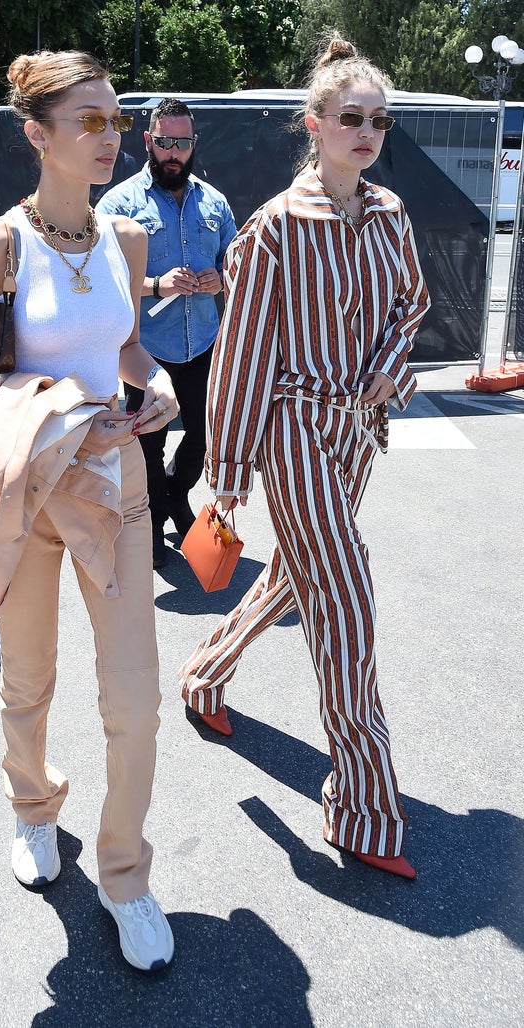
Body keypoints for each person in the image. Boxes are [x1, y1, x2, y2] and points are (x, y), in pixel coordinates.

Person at [0, 50, 178, 971]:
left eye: (118, 120)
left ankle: (125, 875)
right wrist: (67, 423)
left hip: (117, 493)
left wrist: (157, 394)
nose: (113, 138)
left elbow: (131, 352)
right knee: (28, 680)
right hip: (26, 496)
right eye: (92, 121)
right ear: (37, 134)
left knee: (138, 704)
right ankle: (34, 806)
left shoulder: (128, 240)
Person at [179, 33, 430, 879]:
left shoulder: (391, 214)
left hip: (358, 429)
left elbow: (412, 307)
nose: (366, 131)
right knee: (346, 596)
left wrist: (390, 376)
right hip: (290, 425)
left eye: (379, 120)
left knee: (298, 576)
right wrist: (230, 472)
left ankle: (206, 675)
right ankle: (363, 807)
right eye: (350, 117)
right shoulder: (275, 228)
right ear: (314, 124)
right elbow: (243, 353)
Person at [96, 98, 236, 567]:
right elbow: (102, 277)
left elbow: (235, 262)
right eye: (163, 142)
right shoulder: (119, 204)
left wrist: (222, 277)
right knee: (148, 442)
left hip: (203, 344)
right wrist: (155, 284)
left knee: (205, 436)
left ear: (193, 144)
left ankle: (176, 495)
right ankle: (153, 524)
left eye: (181, 143)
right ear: (148, 141)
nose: (172, 152)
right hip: (146, 349)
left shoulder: (214, 201)